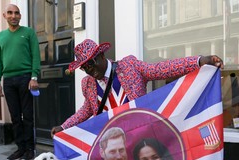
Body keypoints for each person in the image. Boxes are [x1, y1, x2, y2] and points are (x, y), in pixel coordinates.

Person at [51, 39, 224, 137]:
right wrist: (64, 127)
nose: (89, 71)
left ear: (101, 55)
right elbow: (86, 110)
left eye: (90, 64)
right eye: (84, 68)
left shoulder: (129, 66)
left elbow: (162, 69)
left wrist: (199, 61)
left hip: (140, 134)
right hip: (112, 140)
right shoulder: (87, 84)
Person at [0, 4, 41, 160]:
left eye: (16, 13)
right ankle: (20, 148)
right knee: (15, 116)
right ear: (4, 15)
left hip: (25, 78)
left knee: (27, 116)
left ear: (20, 16)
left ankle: (30, 149)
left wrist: (34, 77)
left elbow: (35, 55)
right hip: (8, 81)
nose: (13, 16)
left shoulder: (28, 33)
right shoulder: (0, 36)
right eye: (10, 13)